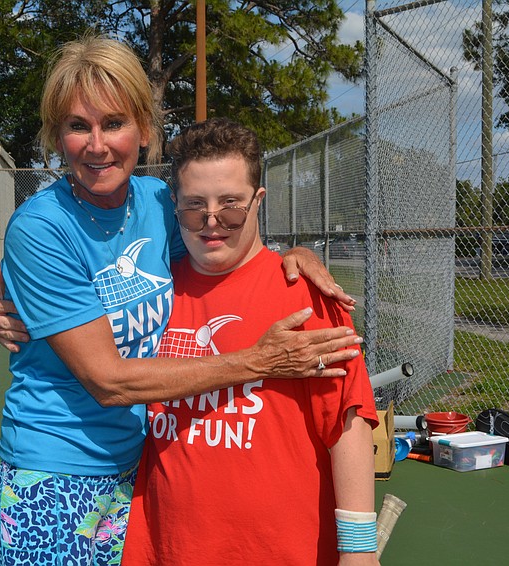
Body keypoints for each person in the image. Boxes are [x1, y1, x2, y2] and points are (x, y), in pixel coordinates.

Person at [0, 34, 362, 566]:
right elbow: (109, 381)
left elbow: (224, 230)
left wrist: (295, 253)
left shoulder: (161, 203)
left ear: (143, 128)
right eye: (78, 126)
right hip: (57, 475)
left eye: (113, 122)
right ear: (57, 137)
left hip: (139, 470)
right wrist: (257, 362)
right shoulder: (42, 229)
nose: (97, 145)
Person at [122, 118, 379, 565]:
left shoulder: (303, 294)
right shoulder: (152, 294)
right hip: (167, 548)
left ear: (258, 200)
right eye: (194, 207)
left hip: (282, 550)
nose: (212, 222)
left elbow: (347, 422)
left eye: (231, 205)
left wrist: (359, 549)